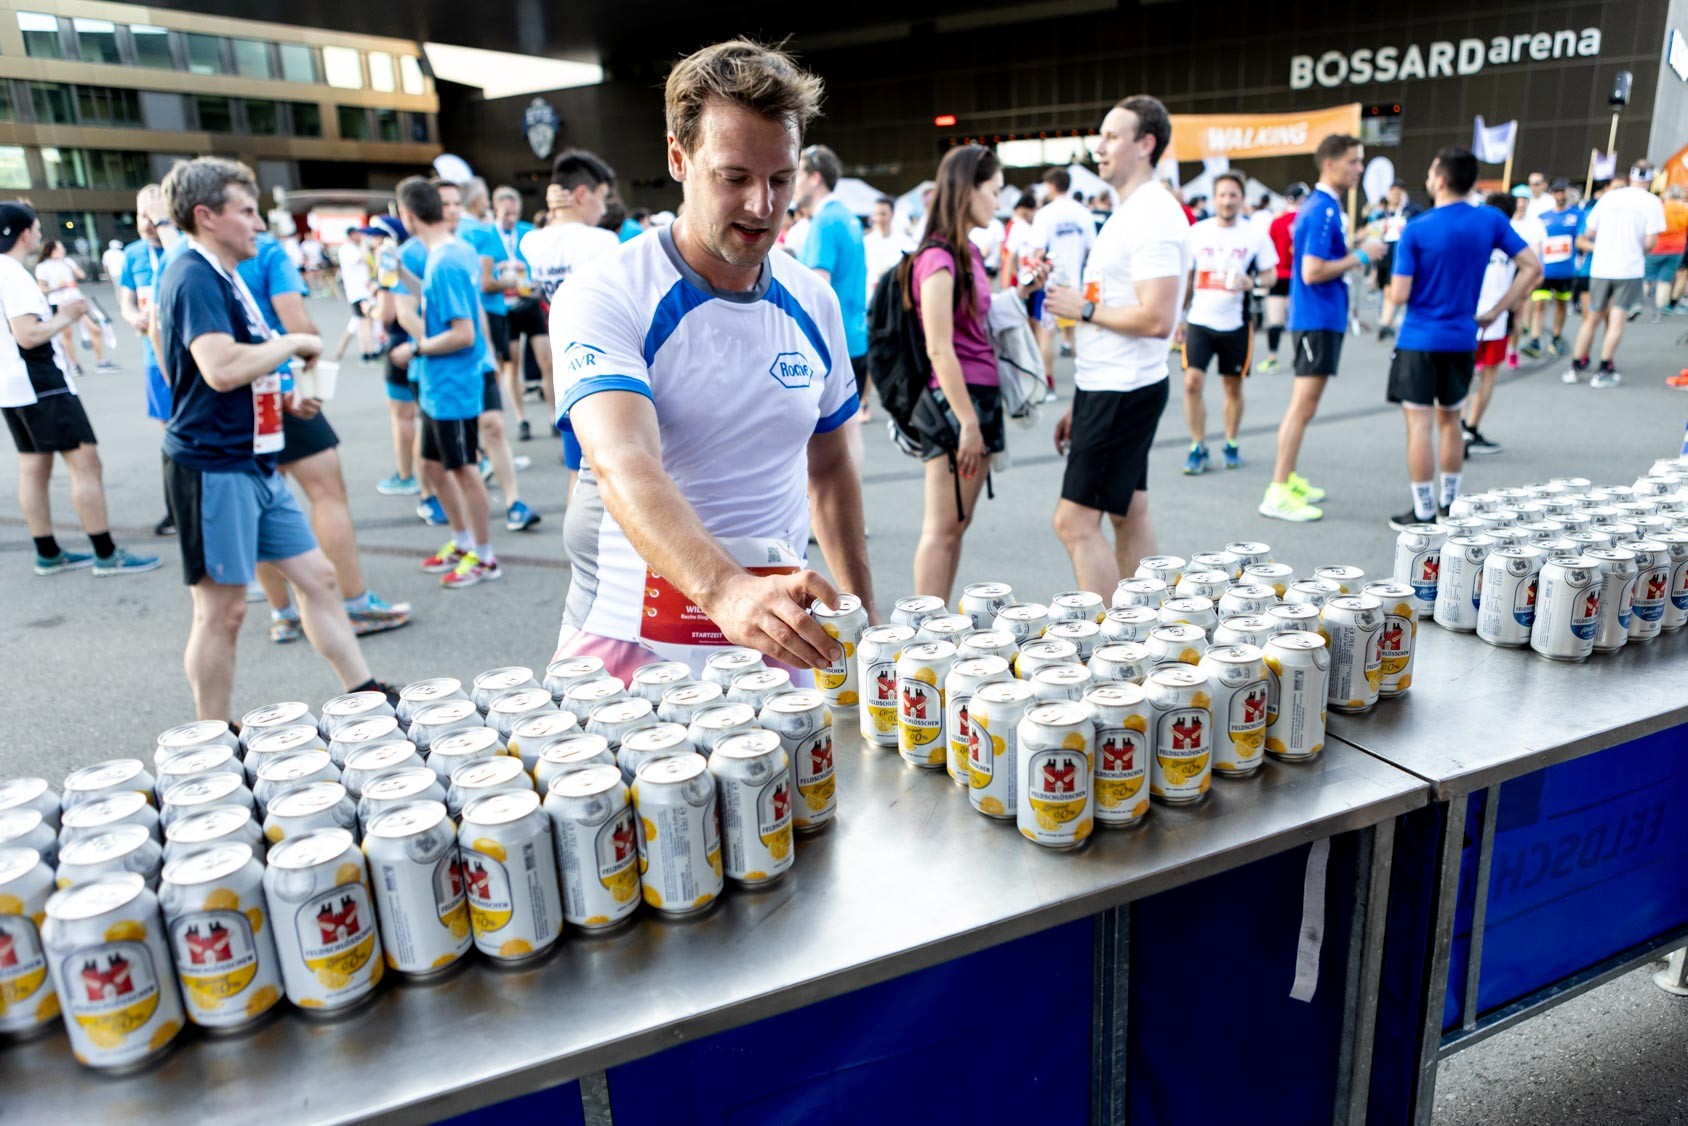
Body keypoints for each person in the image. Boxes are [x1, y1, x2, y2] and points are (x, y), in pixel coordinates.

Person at [550, 38, 876, 677]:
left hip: (773, 637)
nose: (762, 206)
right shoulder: (606, 291)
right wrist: (725, 590)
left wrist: (864, 615)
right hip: (629, 644)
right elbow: (623, 460)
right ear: (679, 157)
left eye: (780, 179)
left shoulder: (813, 299)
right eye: (734, 178)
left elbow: (832, 465)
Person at [154, 158, 394, 720]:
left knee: (319, 579)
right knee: (222, 611)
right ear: (205, 216)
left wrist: (283, 397)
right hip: (213, 466)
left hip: (254, 458)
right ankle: (212, 736)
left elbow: (215, 370)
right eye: (246, 212)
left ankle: (366, 694)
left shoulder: (222, 273)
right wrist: (292, 343)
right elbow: (218, 367)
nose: (259, 225)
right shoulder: (192, 274)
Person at [236, 225, 412, 640]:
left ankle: (283, 613)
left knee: (258, 502)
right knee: (327, 493)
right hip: (276, 385)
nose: (255, 221)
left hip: (228, 399)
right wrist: (310, 349)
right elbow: (298, 325)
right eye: (247, 208)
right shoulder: (265, 251)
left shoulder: (182, 258)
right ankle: (354, 605)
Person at [1044, 95, 1186, 594]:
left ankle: (1112, 634)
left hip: (1122, 388)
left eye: (1111, 136)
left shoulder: (1154, 214)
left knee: (1074, 523)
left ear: (1145, 144)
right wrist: (1081, 401)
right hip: (1109, 385)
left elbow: (1157, 318)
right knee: (1129, 511)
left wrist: (1082, 308)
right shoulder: (1134, 210)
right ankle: (1151, 620)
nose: (1098, 147)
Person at [903, 145, 1047, 602]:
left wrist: (1025, 289)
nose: (999, 202)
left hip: (977, 398)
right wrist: (967, 421)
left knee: (956, 526)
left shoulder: (964, 251)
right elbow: (939, 347)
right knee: (941, 529)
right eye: (995, 191)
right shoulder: (939, 258)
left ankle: (937, 622)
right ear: (968, 190)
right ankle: (924, 628)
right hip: (955, 404)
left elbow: (976, 321)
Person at [0, 203, 159, 577]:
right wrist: (67, 316)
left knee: (33, 466)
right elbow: (28, 335)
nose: (40, 235)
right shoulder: (14, 274)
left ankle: (48, 552)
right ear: (25, 233)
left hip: (12, 384)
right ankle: (105, 553)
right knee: (85, 463)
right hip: (41, 382)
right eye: (37, 229)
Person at [1384, 149, 1539, 530]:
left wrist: (1389, 287)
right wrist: (1499, 309)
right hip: (1462, 338)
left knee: (1419, 425)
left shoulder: (1416, 228)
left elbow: (1399, 294)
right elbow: (1533, 268)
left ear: (1440, 180)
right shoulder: (1490, 219)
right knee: (1451, 420)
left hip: (1419, 339)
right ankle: (1449, 506)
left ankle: (1423, 512)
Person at [1260, 135, 1386, 522]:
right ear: (1330, 164)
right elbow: (1312, 271)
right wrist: (1362, 254)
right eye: (1354, 161)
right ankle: (1278, 490)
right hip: (1315, 318)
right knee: (1302, 407)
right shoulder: (1321, 208)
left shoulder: (1325, 206)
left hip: (1322, 318)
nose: (1360, 168)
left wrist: (1356, 246)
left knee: (1306, 406)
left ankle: (1288, 479)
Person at [388, 176, 503, 588]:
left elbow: (463, 334)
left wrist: (415, 348)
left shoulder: (447, 261)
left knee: (464, 469)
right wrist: (399, 272)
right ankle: (462, 541)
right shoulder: (448, 255)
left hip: (452, 384)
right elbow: (437, 300)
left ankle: (485, 556)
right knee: (432, 466)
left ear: (407, 215)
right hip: (440, 384)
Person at [440, 179, 537, 531]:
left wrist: (488, 351)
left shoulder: (468, 247)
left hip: (477, 351)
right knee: (439, 459)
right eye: (445, 204)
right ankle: (452, 521)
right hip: (437, 365)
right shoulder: (415, 254)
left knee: (493, 425)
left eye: (456, 203)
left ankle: (514, 504)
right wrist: (420, 346)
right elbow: (404, 311)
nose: (453, 210)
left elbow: (477, 303)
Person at [521, 149, 622, 484]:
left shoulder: (531, 242)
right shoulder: (602, 241)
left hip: (567, 375)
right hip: (607, 374)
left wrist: (554, 212)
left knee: (578, 481)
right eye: (602, 198)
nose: (603, 209)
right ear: (581, 194)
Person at [1178, 170, 1277, 474]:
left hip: (1236, 323)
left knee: (1232, 388)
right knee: (1192, 383)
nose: (1227, 201)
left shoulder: (1254, 234)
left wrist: (1252, 282)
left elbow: (1270, 275)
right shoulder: (1197, 232)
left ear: (1241, 199)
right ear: (1214, 198)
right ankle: (1198, 446)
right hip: (1199, 321)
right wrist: (1179, 317)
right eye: (1222, 195)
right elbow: (1187, 278)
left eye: (1233, 195)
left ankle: (1231, 442)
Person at [794, 143, 870, 473]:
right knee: (850, 434)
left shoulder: (824, 221)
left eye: (798, 173)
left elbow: (816, 289)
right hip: (855, 337)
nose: (793, 181)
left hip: (831, 343)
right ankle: (854, 505)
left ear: (815, 178)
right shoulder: (847, 217)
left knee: (827, 445)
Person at [1566, 161, 1665, 389]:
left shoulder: (1609, 198)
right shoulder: (1652, 202)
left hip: (1601, 267)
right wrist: (1635, 249)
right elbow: (1650, 242)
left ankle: (1575, 366)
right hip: (1629, 268)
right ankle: (1603, 370)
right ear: (1651, 179)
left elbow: (1589, 232)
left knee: (1591, 318)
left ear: (1631, 176)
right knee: (1617, 319)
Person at [116, 185, 180, 535]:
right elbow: (126, 300)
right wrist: (132, 317)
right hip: (154, 359)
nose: (145, 222)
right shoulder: (133, 254)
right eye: (141, 214)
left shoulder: (181, 245)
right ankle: (177, 508)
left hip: (192, 356)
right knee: (171, 434)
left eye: (153, 214)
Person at [1465, 192, 1529, 457]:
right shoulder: (1512, 241)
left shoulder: (1470, 236)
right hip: (1495, 316)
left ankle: (1460, 429)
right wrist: (1515, 301)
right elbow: (1534, 272)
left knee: (1463, 375)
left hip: (1468, 314)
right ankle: (1469, 428)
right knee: (1488, 376)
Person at [1033, 167, 1097, 376]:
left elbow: (1038, 251)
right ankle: (1087, 381)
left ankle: (1048, 382)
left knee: (1046, 334)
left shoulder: (1044, 214)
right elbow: (1093, 250)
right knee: (1081, 335)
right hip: (1076, 283)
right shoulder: (1083, 213)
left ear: (1052, 186)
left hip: (1051, 283)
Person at [491, 186, 540, 440]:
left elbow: (539, 265)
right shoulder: (488, 234)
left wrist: (526, 271)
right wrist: (500, 268)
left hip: (528, 300)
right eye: (507, 214)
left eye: (516, 213)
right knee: (512, 364)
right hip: (503, 305)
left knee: (546, 359)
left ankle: (555, 415)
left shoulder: (529, 232)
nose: (512, 219)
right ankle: (522, 419)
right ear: (495, 209)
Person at [33, 241, 117, 376]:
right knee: (66, 334)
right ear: (52, 250)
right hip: (59, 302)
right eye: (60, 247)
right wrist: (57, 287)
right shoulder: (42, 267)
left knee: (94, 329)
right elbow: (42, 288)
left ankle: (101, 361)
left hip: (76, 299)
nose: (63, 249)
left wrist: (67, 264)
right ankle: (73, 364)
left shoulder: (67, 261)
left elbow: (82, 275)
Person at [1522, 179, 1582, 357]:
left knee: (1561, 305)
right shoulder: (1543, 217)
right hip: (1546, 269)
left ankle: (1556, 337)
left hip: (1566, 270)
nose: (1559, 195)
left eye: (1562, 191)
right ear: (1552, 194)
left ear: (1568, 192)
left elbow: (1580, 239)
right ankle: (1535, 339)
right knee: (1540, 303)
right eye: (1556, 191)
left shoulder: (1577, 215)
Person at [1260, 182, 1306, 375]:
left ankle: (1273, 358)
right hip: (1301, 276)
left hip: (1279, 275)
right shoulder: (1305, 219)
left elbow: (1268, 247)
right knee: (1297, 320)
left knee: (1275, 321)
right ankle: (1298, 358)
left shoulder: (1277, 221)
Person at [1375, 181, 1421, 341]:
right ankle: (1387, 321)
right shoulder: (1382, 213)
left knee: (1391, 289)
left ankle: (1386, 322)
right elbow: (1373, 231)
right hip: (1383, 256)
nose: (1395, 196)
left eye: (1398, 192)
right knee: (1385, 289)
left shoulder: (1412, 211)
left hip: (1399, 257)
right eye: (1393, 192)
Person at [328, 227, 375, 363]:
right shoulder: (347, 249)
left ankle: (341, 352)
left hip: (362, 291)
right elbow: (364, 259)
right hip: (358, 292)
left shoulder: (352, 248)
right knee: (365, 321)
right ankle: (367, 353)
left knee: (357, 323)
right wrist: (364, 244)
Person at [1646, 185, 1686, 323]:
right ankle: (1658, 313)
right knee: (1665, 280)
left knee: (1646, 277)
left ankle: (1636, 305)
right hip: (1677, 248)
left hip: (1658, 246)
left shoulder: (1660, 208)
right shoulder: (1685, 210)